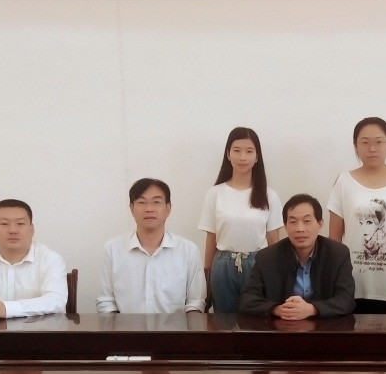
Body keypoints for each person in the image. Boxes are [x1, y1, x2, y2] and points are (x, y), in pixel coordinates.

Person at [327, 117, 386, 313]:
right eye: (365, 142)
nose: (372, 148)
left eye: (379, 142)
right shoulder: (343, 181)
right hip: (352, 283)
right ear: (355, 145)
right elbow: (334, 240)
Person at [199, 126, 283, 313]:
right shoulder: (215, 193)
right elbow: (211, 237)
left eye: (249, 151)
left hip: (258, 264)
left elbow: (274, 241)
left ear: (257, 157)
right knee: (223, 321)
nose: (242, 157)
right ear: (228, 154)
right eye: (237, 150)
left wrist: (276, 274)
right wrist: (207, 273)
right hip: (223, 265)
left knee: (258, 320)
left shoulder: (269, 195)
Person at [97, 178, 206, 314]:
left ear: (168, 208)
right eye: (141, 202)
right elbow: (106, 303)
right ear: (131, 209)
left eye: (157, 202)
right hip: (126, 327)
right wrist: (120, 328)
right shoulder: (112, 250)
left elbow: (195, 303)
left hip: (175, 327)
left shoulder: (188, 251)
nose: (149, 209)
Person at [238, 194, 355, 319]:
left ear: (320, 224)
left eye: (307, 221)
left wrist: (313, 309)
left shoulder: (338, 254)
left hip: (325, 326)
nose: (300, 229)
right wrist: (277, 309)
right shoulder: (266, 257)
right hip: (282, 325)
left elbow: (346, 300)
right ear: (286, 226)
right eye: (293, 222)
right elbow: (246, 299)